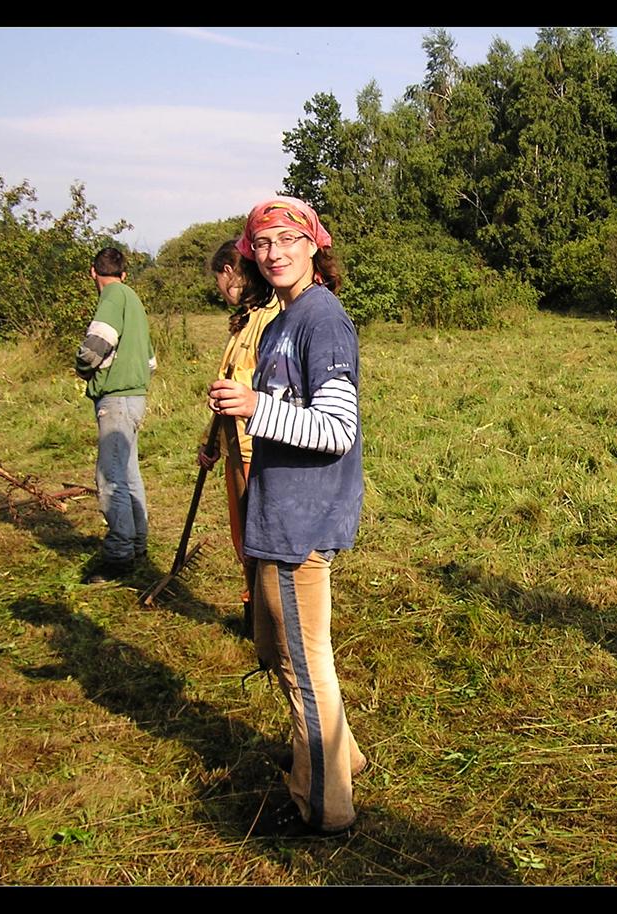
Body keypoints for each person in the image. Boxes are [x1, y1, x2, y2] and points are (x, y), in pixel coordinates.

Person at [208, 197, 366, 835]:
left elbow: (336, 430)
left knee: (304, 665)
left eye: (287, 240)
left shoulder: (322, 320)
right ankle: (341, 756)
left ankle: (324, 806)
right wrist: (241, 406)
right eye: (263, 243)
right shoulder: (280, 319)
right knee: (276, 648)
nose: (274, 253)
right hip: (275, 510)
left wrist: (254, 407)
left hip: (304, 518)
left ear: (312, 246)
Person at [197, 242, 280, 632]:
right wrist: (211, 442)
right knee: (243, 537)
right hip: (235, 447)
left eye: (219, 279)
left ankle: (267, 620)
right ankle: (255, 612)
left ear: (230, 271)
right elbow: (228, 382)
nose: (220, 289)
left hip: (256, 448)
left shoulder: (270, 317)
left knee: (258, 540)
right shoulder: (245, 320)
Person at [75, 247, 156, 584]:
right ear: (124, 273)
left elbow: (97, 344)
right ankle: (137, 544)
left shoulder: (111, 296)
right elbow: (150, 361)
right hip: (135, 396)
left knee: (109, 477)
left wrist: (82, 368)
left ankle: (119, 555)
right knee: (129, 474)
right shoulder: (133, 299)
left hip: (116, 398)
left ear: (93, 272)